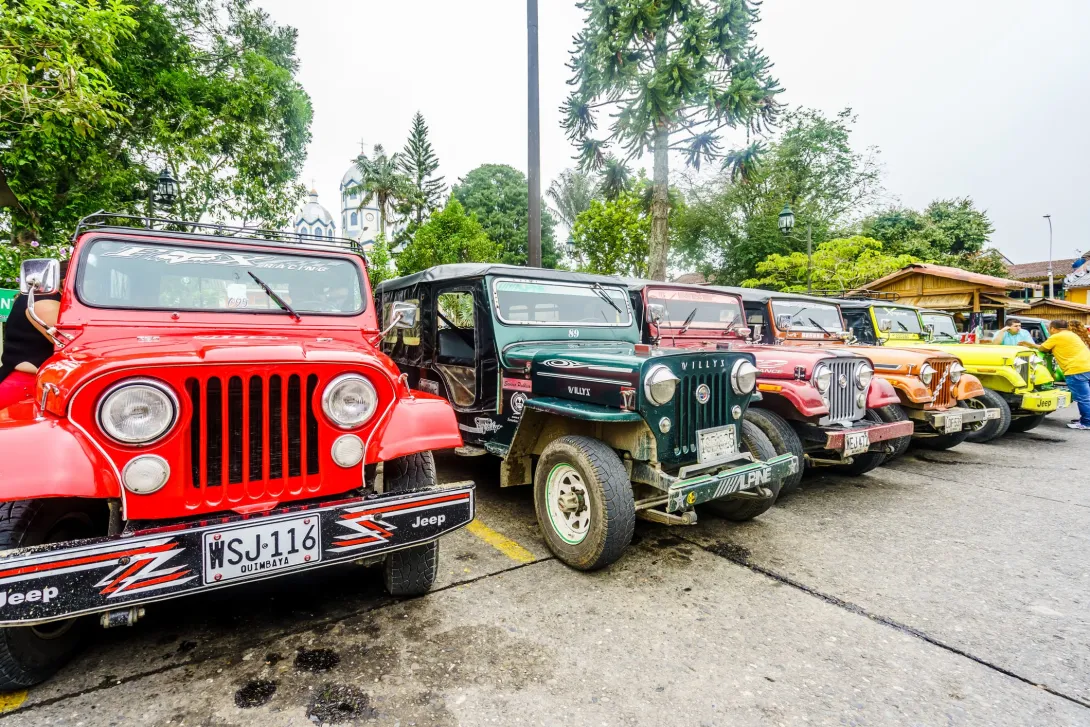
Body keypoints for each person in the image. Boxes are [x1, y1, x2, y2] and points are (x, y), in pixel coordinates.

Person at [0, 263, 64, 410]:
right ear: (64, 281)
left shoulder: (38, 297)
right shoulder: (44, 302)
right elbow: (72, 345)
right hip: (24, 387)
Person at [1019, 319, 1090, 430]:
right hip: (1086, 367)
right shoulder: (1071, 334)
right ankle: (1086, 418)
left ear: (1053, 328)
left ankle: (1086, 423)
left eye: (1049, 329)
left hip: (1076, 369)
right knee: (1086, 396)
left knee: (1083, 398)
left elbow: (1043, 348)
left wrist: (1029, 345)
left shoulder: (1057, 336)